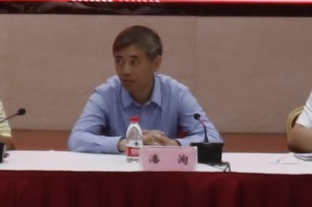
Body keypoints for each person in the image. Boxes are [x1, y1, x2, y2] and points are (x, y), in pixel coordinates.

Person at [66, 25, 214, 152]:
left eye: (134, 62)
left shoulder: (176, 93)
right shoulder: (106, 94)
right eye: (119, 61)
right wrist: (127, 143)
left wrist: (173, 145)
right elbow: (77, 139)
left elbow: (213, 138)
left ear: (156, 63)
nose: (125, 71)